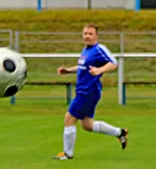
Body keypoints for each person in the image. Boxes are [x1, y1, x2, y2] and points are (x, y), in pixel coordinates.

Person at [53, 24, 128, 160]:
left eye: (90, 34)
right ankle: (120, 133)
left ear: (96, 36)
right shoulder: (86, 50)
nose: (87, 36)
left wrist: (99, 71)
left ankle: (67, 154)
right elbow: (83, 67)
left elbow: (113, 63)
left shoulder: (99, 49)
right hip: (84, 91)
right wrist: (68, 70)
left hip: (88, 91)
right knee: (87, 125)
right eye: (85, 33)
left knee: (69, 119)